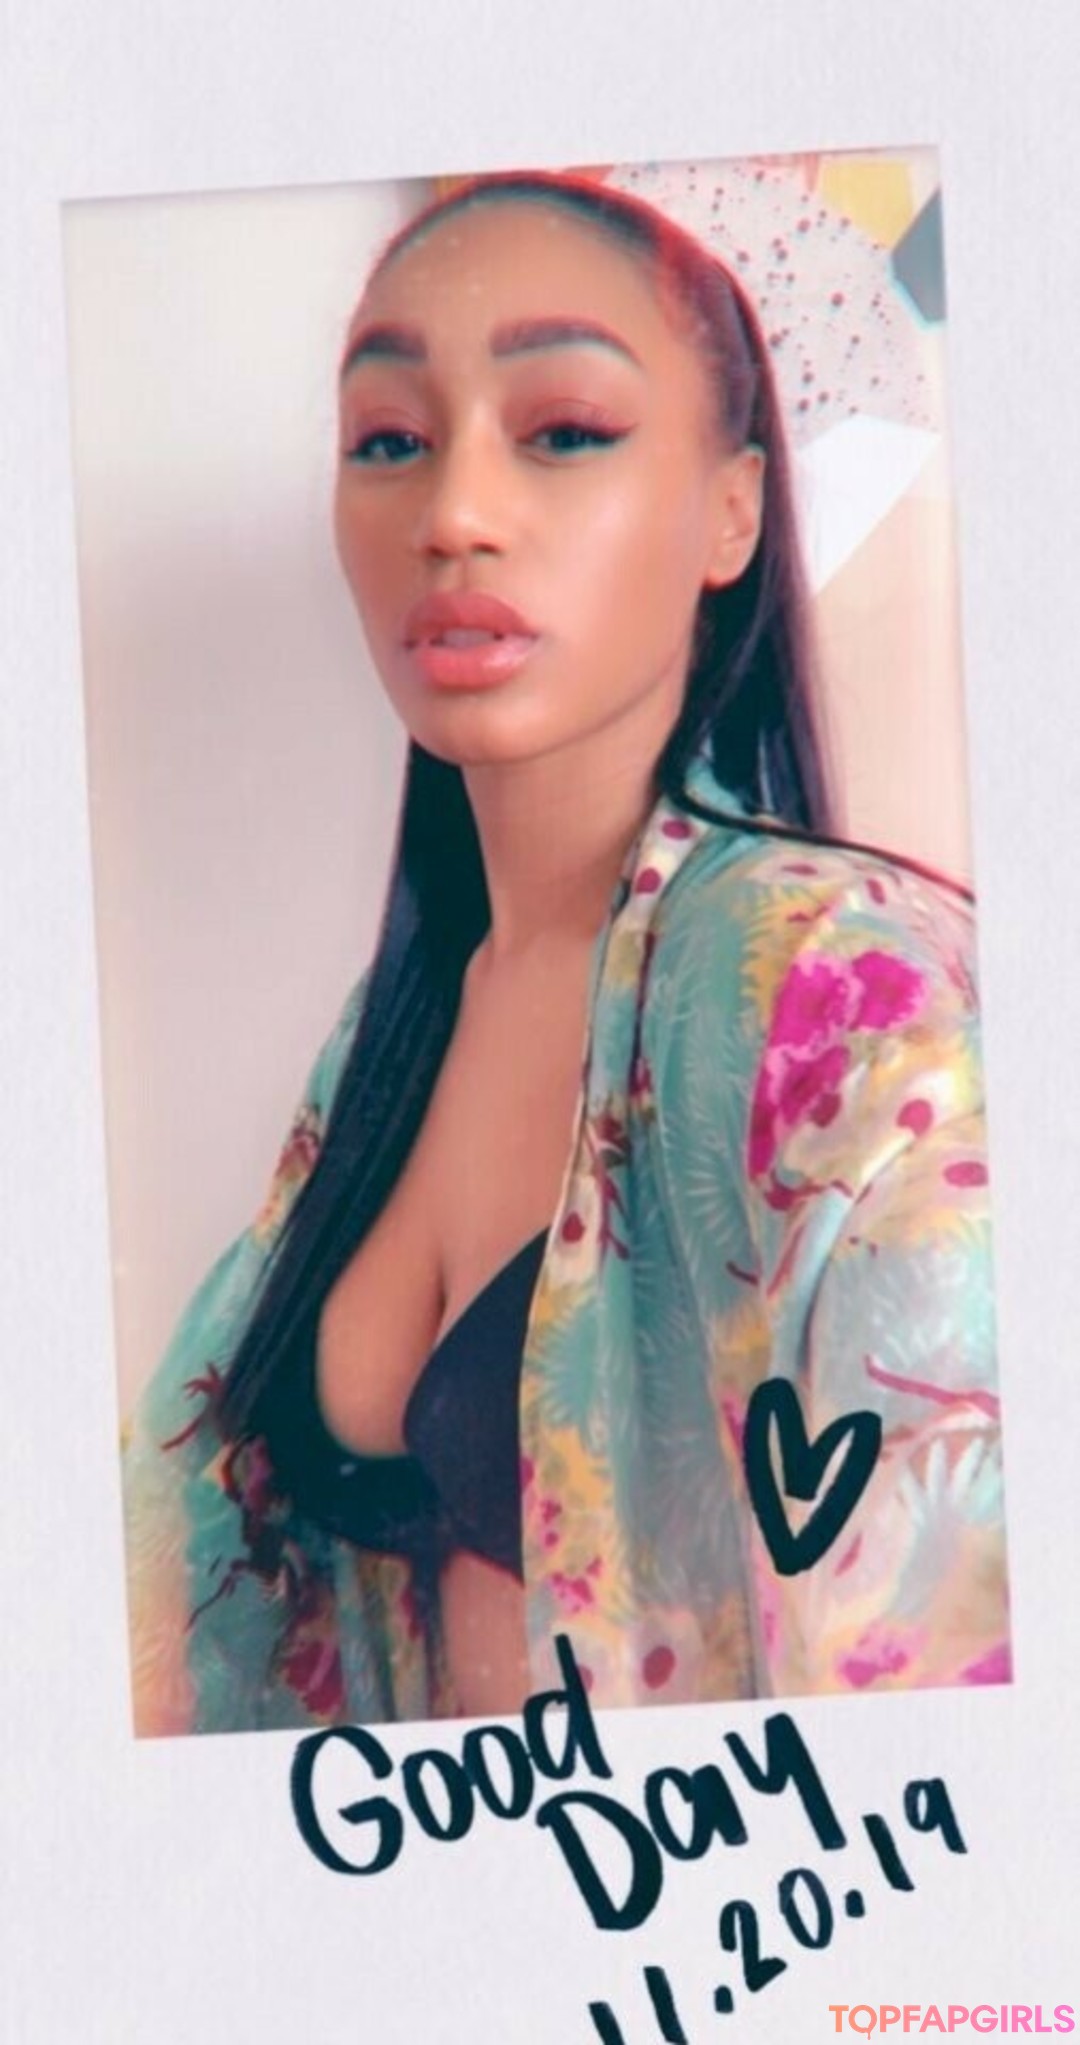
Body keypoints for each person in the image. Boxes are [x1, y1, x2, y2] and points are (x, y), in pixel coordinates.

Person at [121, 170, 1007, 1736]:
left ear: (732, 510)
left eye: (566, 429)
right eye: (390, 439)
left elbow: (972, 1668)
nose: (455, 514)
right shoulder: (380, 1049)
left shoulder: (860, 1000)